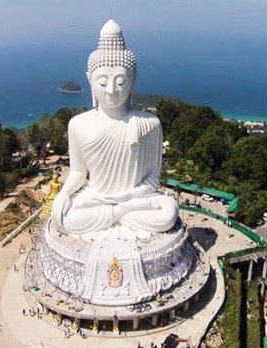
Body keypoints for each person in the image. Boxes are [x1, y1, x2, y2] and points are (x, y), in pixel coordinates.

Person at [50, 19, 178, 240]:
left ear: (133, 81)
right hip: (98, 199)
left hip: (135, 199)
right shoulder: (78, 124)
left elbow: (152, 180)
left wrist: (127, 197)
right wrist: (64, 193)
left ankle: (117, 213)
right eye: (102, 82)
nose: (111, 90)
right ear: (90, 81)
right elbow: (79, 173)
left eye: (120, 82)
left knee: (168, 214)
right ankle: (119, 214)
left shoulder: (149, 124)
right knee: (63, 217)